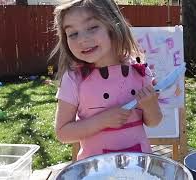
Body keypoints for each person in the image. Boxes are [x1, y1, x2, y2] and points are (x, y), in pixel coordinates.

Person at [51, 0, 163, 160]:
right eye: (73, 34)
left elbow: (154, 121)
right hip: (96, 171)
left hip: (139, 167)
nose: (82, 39)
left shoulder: (139, 70)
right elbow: (63, 133)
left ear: (113, 25)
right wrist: (102, 121)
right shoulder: (74, 78)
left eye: (92, 27)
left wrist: (150, 105)